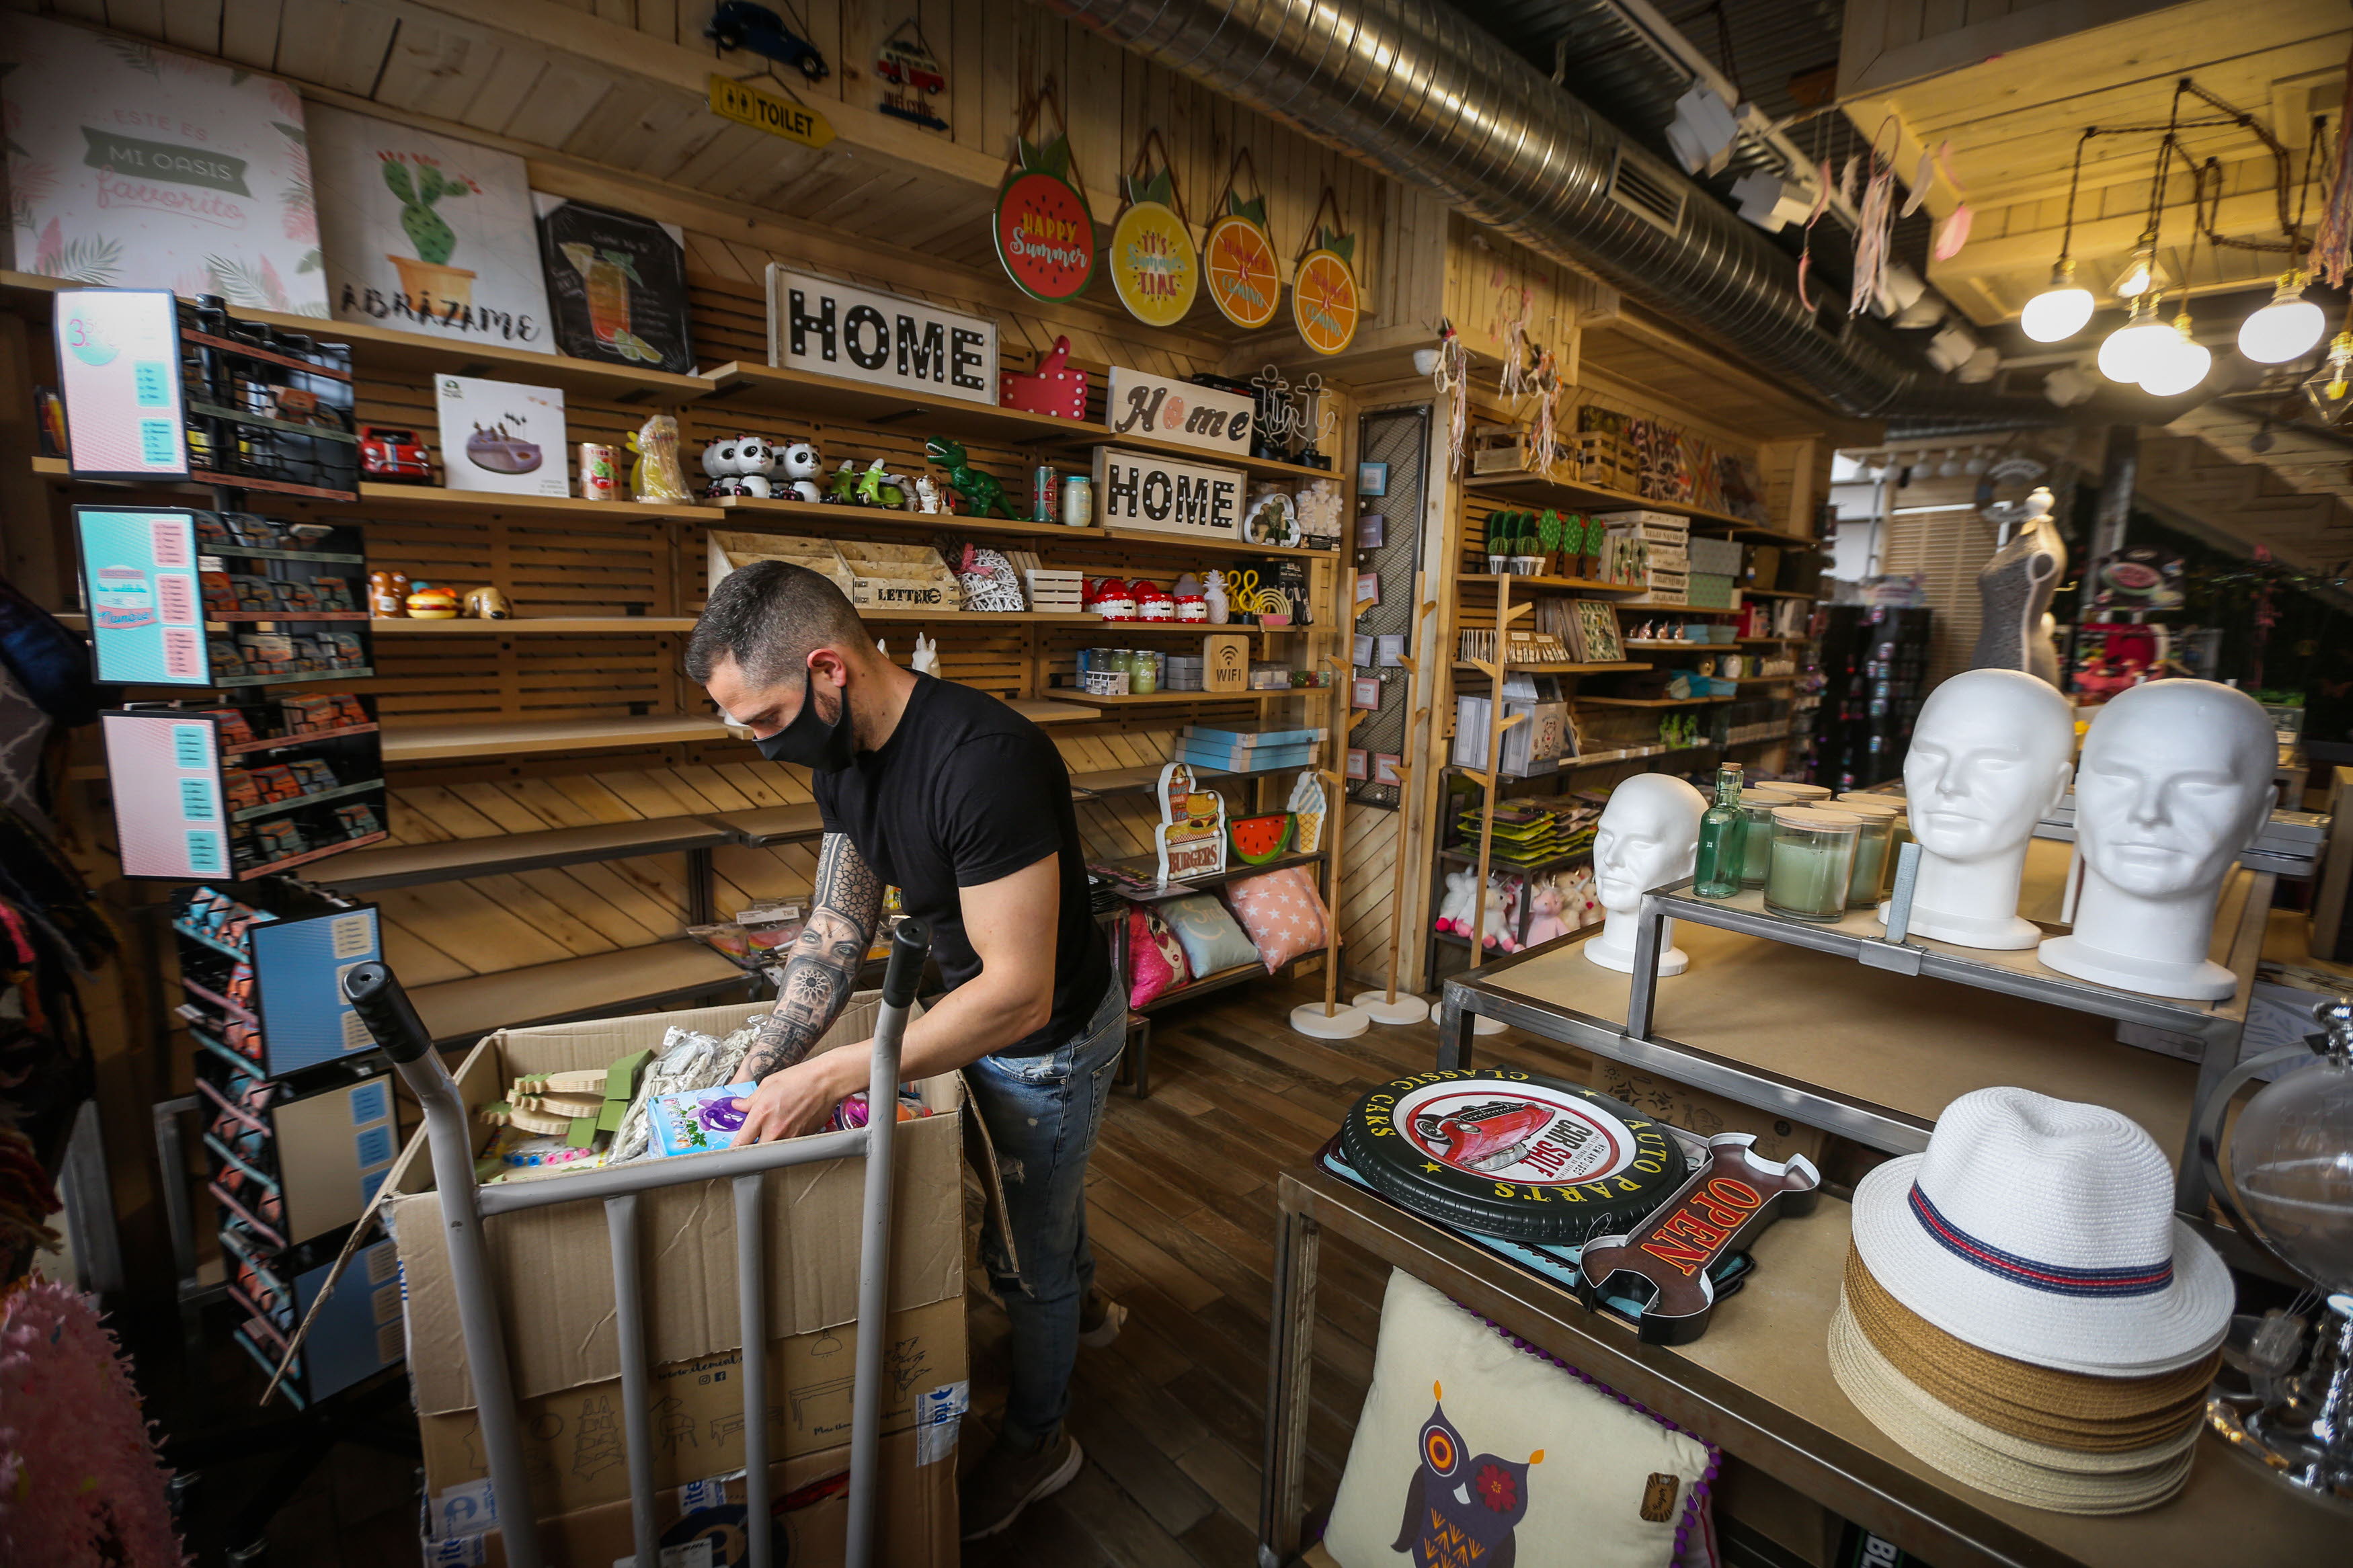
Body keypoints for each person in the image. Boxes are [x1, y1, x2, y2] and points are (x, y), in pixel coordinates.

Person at [685, 561, 1125, 1540]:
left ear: (828, 668)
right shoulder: (840, 755)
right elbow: (838, 926)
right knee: (1039, 1192)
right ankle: (1086, 1302)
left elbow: (1020, 993)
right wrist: (765, 1056)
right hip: (970, 1017)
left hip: (1044, 1040)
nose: (758, 743)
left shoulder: (981, 757)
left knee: (1021, 1256)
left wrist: (841, 1068)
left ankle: (1041, 1441)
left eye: (762, 718)